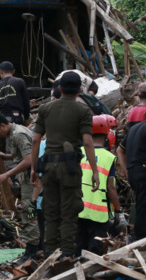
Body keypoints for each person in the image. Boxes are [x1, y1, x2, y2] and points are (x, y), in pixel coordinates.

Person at [31, 71, 99, 258]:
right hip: (70, 168)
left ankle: (50, 254)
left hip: (49, 166)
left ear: (59, 88)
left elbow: (36, 140)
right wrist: (94, 171)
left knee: (50, 212)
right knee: (69, 212)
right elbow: (87, 142)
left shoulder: (45, 109)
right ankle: (67, 254)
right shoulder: (83, 111)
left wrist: (33, 168)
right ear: (79, 90)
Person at [0, 111, 40, 261]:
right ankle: (37, 245)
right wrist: (9, 156)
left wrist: (7, 174)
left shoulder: (18, 135)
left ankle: (32, 249)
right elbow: (26, 153)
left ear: (3, 125)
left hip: (31, 181)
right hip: (32, 179)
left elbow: (29, 159)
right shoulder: (18, 131)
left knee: (29, 212)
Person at [77, 115, 123, 255]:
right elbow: (111, 188)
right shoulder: (109, 158)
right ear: (107, 134)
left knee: (78, 247)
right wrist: (118, 211)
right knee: (94, 252)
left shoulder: (78, 152)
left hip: (76, 208)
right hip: (98, 212)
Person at [118, 104, 146, 240]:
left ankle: (138, 236)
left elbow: (120, 150)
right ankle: (144, 239)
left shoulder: (133, 129)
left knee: (141, 204)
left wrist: (126, 169)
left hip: (133, 172)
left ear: (145, 115)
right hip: (144, 171)